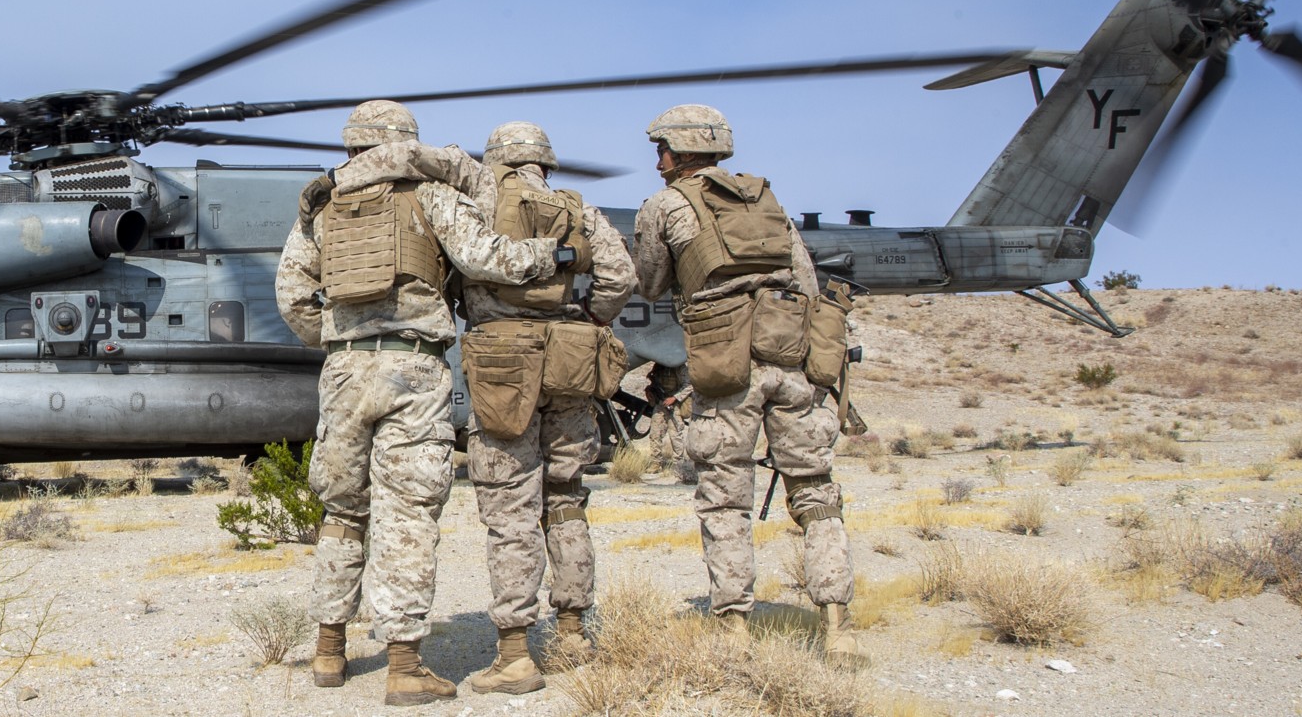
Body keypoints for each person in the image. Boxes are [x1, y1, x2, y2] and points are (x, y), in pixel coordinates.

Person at [276, 100, 567, 707]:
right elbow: (486, 258)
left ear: (353, 146)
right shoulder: (430, 196)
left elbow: (293, 295)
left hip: (344, 369)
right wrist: (548, 254)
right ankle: (404, 666)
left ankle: (329, 650)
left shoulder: (322, 208)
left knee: (343, 512)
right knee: (406, 514)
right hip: (413, 367)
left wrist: (338, 337)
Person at [630, 104, 862, 667]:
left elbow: (651, 283)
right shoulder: (768, 201)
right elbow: (805, 282)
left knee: (724, 497)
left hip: (726, 369)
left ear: (683, 152)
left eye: (662, 149)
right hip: (790, 361)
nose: (657, 160)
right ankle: (839, 628)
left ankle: (735, 629)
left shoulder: (665, 205)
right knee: (815, 491)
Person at [457, 122, 636, 695]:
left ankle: (514, 654)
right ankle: (574, 630)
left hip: (501, 364)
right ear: (545, 162)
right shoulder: (574, 207)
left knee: (510, 509)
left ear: (497, 159)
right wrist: (593, 317)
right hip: (568, 361)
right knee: (565, 498)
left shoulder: (477, 198)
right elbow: (621, 275)